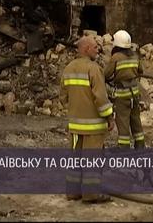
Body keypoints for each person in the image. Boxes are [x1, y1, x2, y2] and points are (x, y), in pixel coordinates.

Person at [60, 35, 114, 203]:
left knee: (75, 159)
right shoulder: (94, 69)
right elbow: (101, 98)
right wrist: (109, 117)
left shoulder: (68, 68)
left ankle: (73, 192)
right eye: (95, 47)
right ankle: (91, 194)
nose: (98, 50)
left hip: (75, 126)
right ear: (86, 49)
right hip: (93, 127)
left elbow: (63, 97)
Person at [104, 30, 145, 149]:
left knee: (122, 122)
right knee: (136, 120)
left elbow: (106, 75)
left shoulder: (116, 57)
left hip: (122, 96)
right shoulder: (135, 56)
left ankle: (124, 147)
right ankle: (140, 145)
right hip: (135, 93)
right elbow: (141, 71)